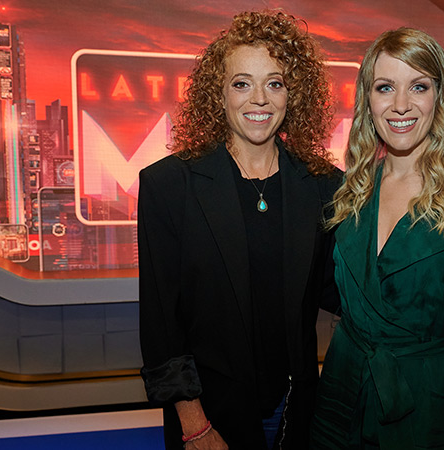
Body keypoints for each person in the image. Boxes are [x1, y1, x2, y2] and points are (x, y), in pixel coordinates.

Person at [137, 10, 341, 450]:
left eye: (275, 82)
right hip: (211, 419)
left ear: (293, 94)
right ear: (219, 94)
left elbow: (340, 289)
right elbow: (161, 325)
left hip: (298, 411)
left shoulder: (324, 184)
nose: (260, 99)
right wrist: (194, 425)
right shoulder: (169, 186)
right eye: (242, 83)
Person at [311, 28, 444, 449]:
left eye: (418, 86)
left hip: (427, 412)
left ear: (439, 98)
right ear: (368, 101)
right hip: (339, 398)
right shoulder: (352, 190)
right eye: (385, 87)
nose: (401, 105)